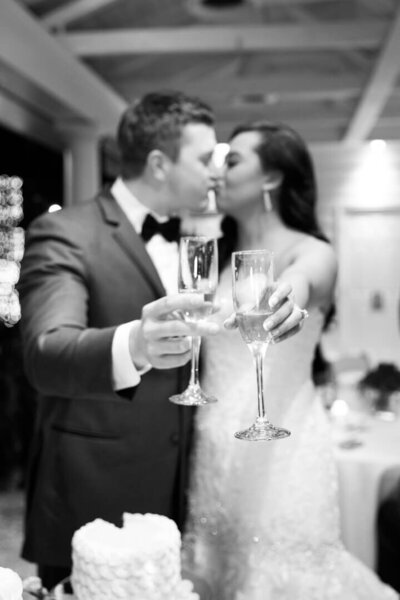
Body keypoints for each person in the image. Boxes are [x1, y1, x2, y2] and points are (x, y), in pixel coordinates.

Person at [18, 93, 304, 591]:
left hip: (183, 500)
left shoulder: (203, 238)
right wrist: (135, 345)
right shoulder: (65, 231)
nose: (216, 174)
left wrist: (277, 310)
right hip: (94, 505)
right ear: (158, 163)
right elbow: (45, 352)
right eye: (203, 159)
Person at [183, 121, 397, 599]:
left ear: (271, 179)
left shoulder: (313, 252)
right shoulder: (215, 258)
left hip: (282, 456)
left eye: (233, 161)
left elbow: (305, 279)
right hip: (213, 453)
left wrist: (287, 299)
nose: (217, 174)